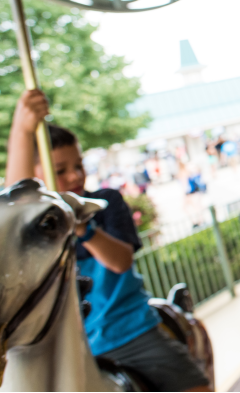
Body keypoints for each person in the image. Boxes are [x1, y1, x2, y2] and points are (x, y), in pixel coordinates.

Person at [6, 89, 211, 392]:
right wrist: (21, 130)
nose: (75, 176)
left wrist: (81, 228)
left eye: (79, 165)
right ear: (39, 177)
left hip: (128, 332)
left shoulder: (105, 202)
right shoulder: (40, 231)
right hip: (75, 344)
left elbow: (120, 261)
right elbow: (15, 204)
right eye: (60, 170)